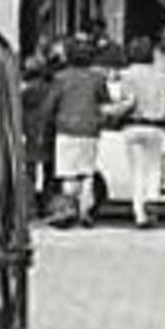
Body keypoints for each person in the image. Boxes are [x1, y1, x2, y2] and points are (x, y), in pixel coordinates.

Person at [107, 38, 165, 223]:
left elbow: (126, 102)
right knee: (154, 168)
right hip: (156, 127)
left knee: (137, 171)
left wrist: (112, 117)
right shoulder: (162, 76)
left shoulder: (127, 75)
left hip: (133, 126)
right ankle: (151, 200)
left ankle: (139, 214)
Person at [43, 40, 111, 225]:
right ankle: (86, 210)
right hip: (90, 130)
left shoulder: (60, 78)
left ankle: (68, 208)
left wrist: (48, 124)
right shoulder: (98, 79)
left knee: (68, 173)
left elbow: (50, 105)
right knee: (87, 173)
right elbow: (105, 103)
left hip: (66, 130)